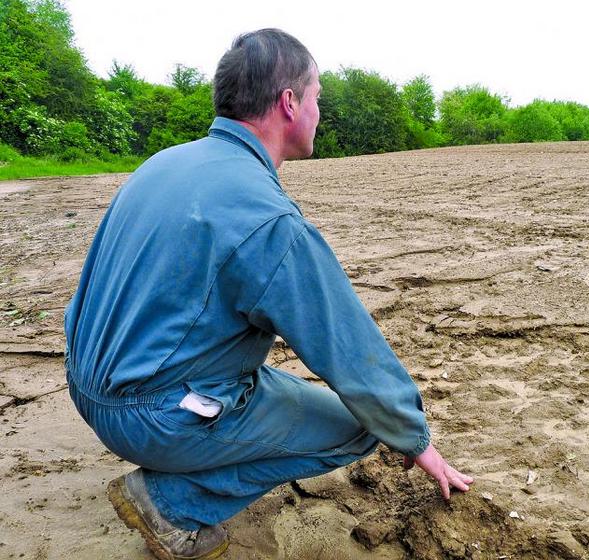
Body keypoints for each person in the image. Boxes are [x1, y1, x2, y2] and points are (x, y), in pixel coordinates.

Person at [64, 28, 472, 560]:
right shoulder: (268, 219)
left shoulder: (162, 164)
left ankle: (178, 448)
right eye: (318, 97)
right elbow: (345, 348)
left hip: (85, 384)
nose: (320, 111)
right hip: (149, 414)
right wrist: (414, 438)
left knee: (265, 381)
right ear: (289, 103)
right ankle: (170, 502)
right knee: (359, 426)